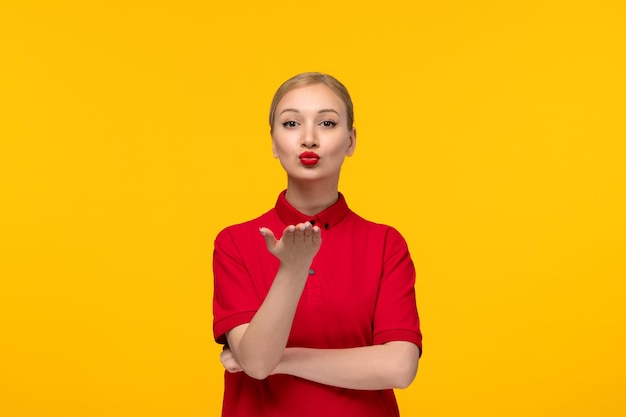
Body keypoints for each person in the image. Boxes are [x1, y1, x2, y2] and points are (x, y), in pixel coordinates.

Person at [212, 72, 422, 417]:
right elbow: (258, 363)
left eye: (327, 123)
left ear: (351, 141)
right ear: (273, 143)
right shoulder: (235, 243)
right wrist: (292, 269)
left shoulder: (386, 244)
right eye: (291, 123)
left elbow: (399, 367)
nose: (309, 139)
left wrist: (285, 359)